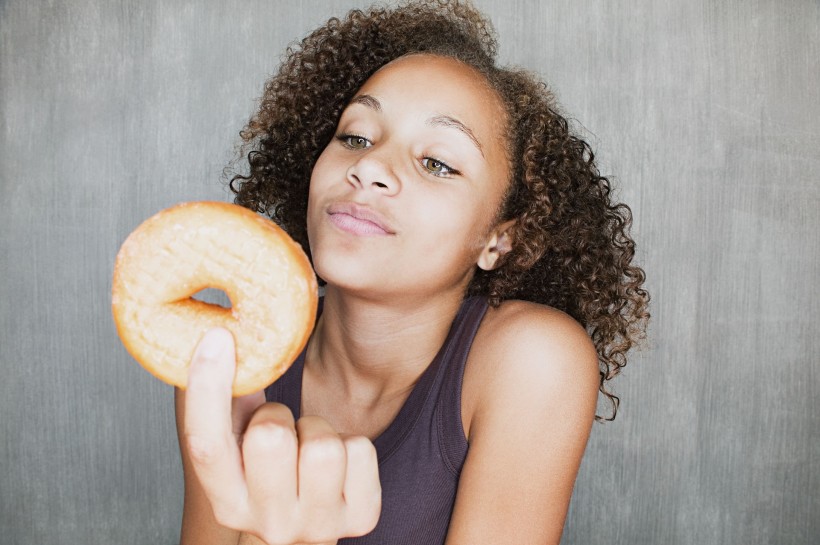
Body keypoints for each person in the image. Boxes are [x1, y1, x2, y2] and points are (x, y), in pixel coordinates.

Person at [175, 1, 649, 544]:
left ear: (499, 239)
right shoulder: (225, 362)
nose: (369, 167)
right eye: (355, 136)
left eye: (437, 163)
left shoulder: (533, 360)